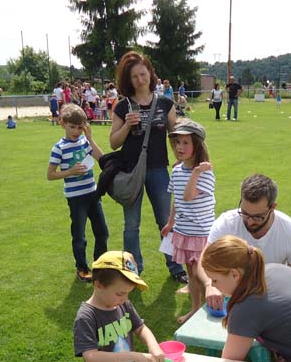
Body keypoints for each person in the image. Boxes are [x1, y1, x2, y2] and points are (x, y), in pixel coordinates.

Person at [109, 51, 187, 284]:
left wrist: (181, 157)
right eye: (134, 76)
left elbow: (175, 134)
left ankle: (175, 267)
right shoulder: (123, 106)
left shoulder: (164, 103)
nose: (140, 80)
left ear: (150, 74)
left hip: (158, 169)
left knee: (166, 220)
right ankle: (133, 270)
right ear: (128, 79)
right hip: (131, 172)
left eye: (143, 74)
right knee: (131, 225)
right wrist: (126, 127)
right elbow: (113, 142)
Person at [196, 174, 291, 310]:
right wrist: (210, 285)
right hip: (230, 296)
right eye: (244, 213)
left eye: (257, 217)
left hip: (273, 297)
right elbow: (204, 260)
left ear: (273, 207)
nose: (249, 221)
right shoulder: (226, 223)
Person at [160, 119, 216, 324]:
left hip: (202, 233)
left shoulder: (205, 172)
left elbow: (189, 196)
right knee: (191, 274)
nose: (179, 147)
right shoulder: (176, 171)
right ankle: (195, 309)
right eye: (177, 142)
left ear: (197, 145)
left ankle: (209, 309)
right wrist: (170, 223)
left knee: (204, 276)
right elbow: (177, 199)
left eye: (185, 143)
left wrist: (196, 172)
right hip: (183, 231)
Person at [47, 103, 108, 282]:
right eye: (72, 127)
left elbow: (101, 158)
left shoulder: (84, 141)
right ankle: (81, 268)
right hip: (76, 198)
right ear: (63, 124)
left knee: (102, 232)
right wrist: (70, 172)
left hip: (93, 193)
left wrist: (90, 139)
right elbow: (50, 175)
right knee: (79, 235)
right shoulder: (59, 148)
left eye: (80, 127)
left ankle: (100, 267)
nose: (76, 131)